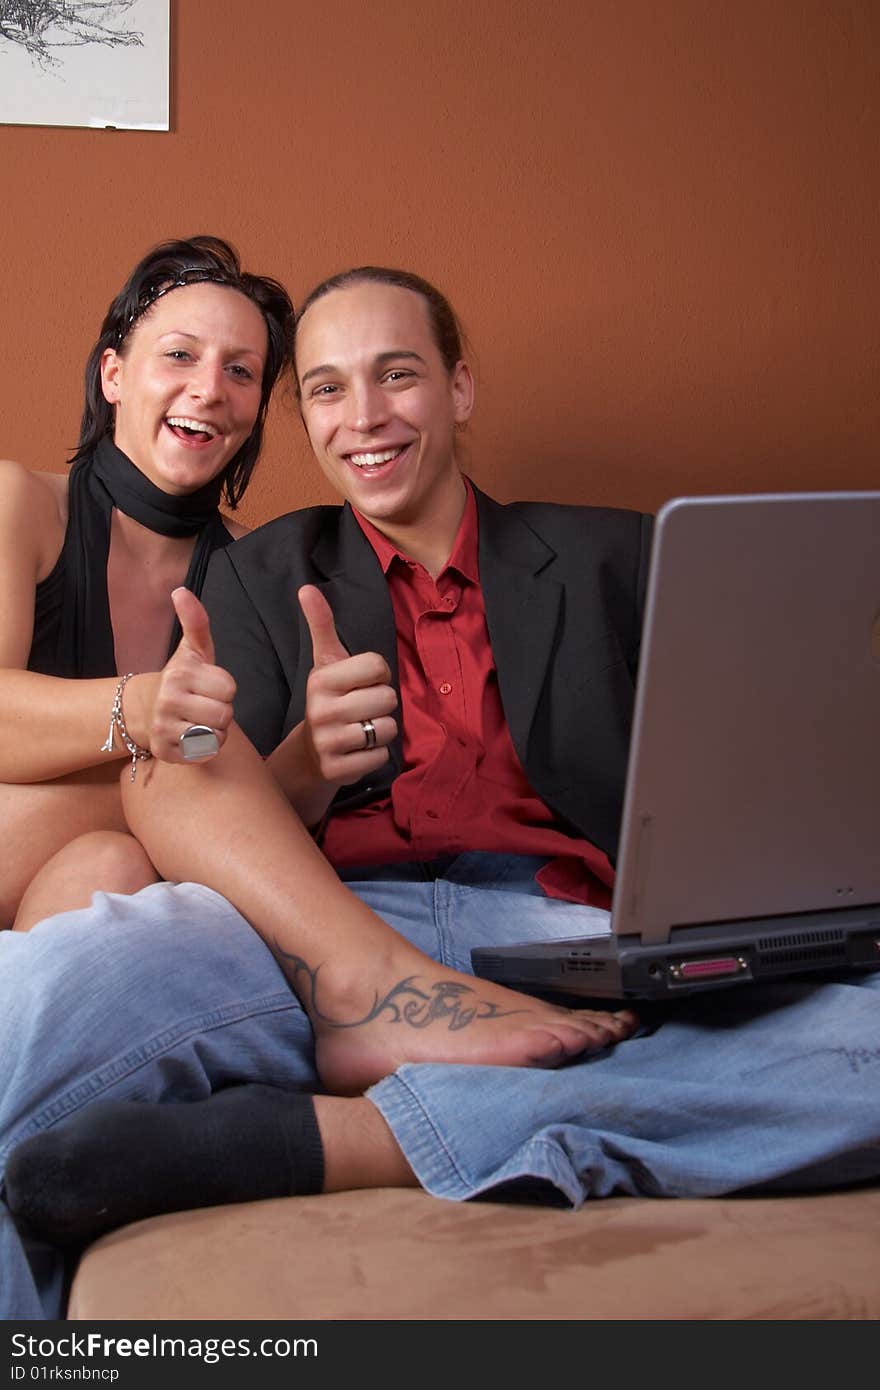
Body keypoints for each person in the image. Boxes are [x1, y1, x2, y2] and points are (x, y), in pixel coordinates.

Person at [2, 268, 878, 1321]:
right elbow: (192, 783)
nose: (364, 416)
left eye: (397, 376)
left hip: (562, 928)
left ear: (458, 388)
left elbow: (738, 780)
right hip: (315, 932)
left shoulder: (618, 556)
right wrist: (311, 764)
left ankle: (357, 1136)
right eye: (326, 389)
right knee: (54, 1010)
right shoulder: (254, 574)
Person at [0, 234, 295, 931]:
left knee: (116, 866)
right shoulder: (19, 505)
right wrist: (144, 709)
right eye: (180, 354)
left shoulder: (256, 571)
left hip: (86, 900)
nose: (210, 389)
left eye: (242, 371)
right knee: (203, 796)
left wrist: (314, 760)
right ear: (114, 375)